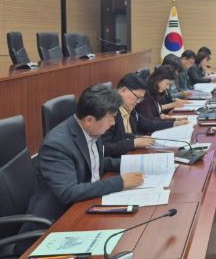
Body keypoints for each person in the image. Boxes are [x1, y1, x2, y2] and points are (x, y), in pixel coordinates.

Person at [22, 85, 144, 227]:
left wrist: (135, 163)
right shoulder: (56, 145)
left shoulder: (92, 129)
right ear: (89, 120)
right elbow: (68, 192)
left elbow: (95, 162)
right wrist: (120, 182)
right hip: (58, 220)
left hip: (87, 204)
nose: (113, 123)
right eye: (110, 118)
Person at [102, 73, 180, 156]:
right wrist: (133, 143)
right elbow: (103, 148)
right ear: (124, 90)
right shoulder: (109, 114)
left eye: (141, 99)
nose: (138, 102)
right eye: (137, 97)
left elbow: (149, 124)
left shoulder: (130, 110)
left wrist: (175, 123)